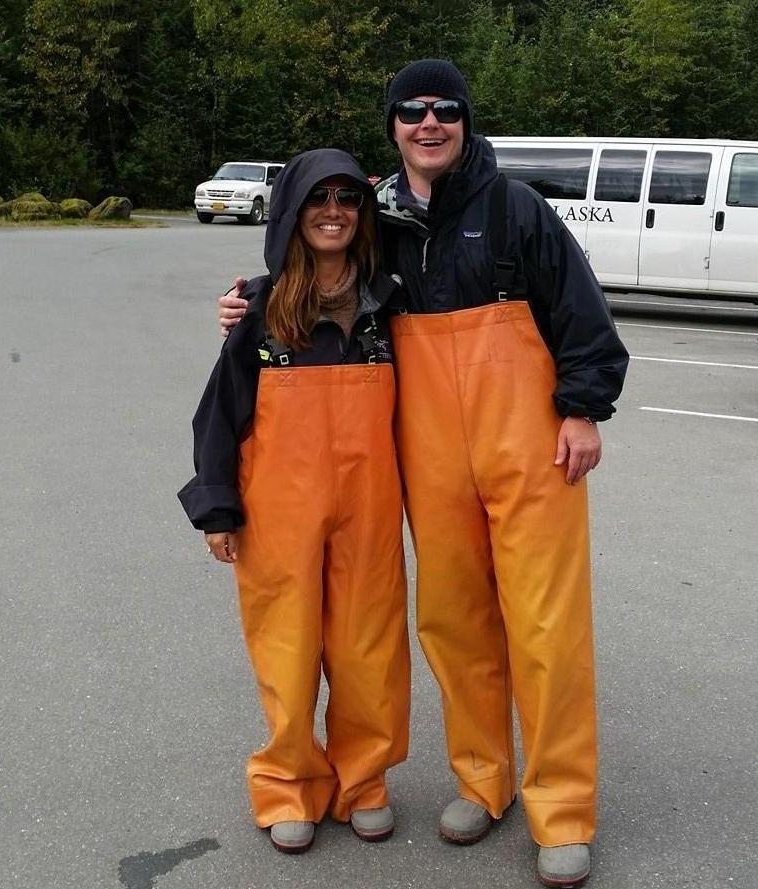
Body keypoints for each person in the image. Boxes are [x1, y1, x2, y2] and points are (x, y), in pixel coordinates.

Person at [219, 61, 628, 888]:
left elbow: (581, 313)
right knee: (453, 620)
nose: (428, 122)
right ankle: (484, 781)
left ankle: (561, 807)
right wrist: (252, 298)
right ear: (394, 125)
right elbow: (321, 265)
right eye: (412, 111)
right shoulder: (379, 216)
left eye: (445, 109)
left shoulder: (515, 209)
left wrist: (583, 407)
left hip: (531, 445)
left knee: (546, 627)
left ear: (466, 122)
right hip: (430, 453)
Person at [180, 149, 410, 855]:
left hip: (368, 508)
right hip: (278, 511)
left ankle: (363, 781)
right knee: (287, 649)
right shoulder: (259, 306)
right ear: (291, 211)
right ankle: (288, 783)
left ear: (362, 212)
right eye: (317, 198)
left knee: (369, 647)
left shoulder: (390, 305)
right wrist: (217, 508)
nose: (333, 211)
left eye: (347, 198)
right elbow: (220, 413)